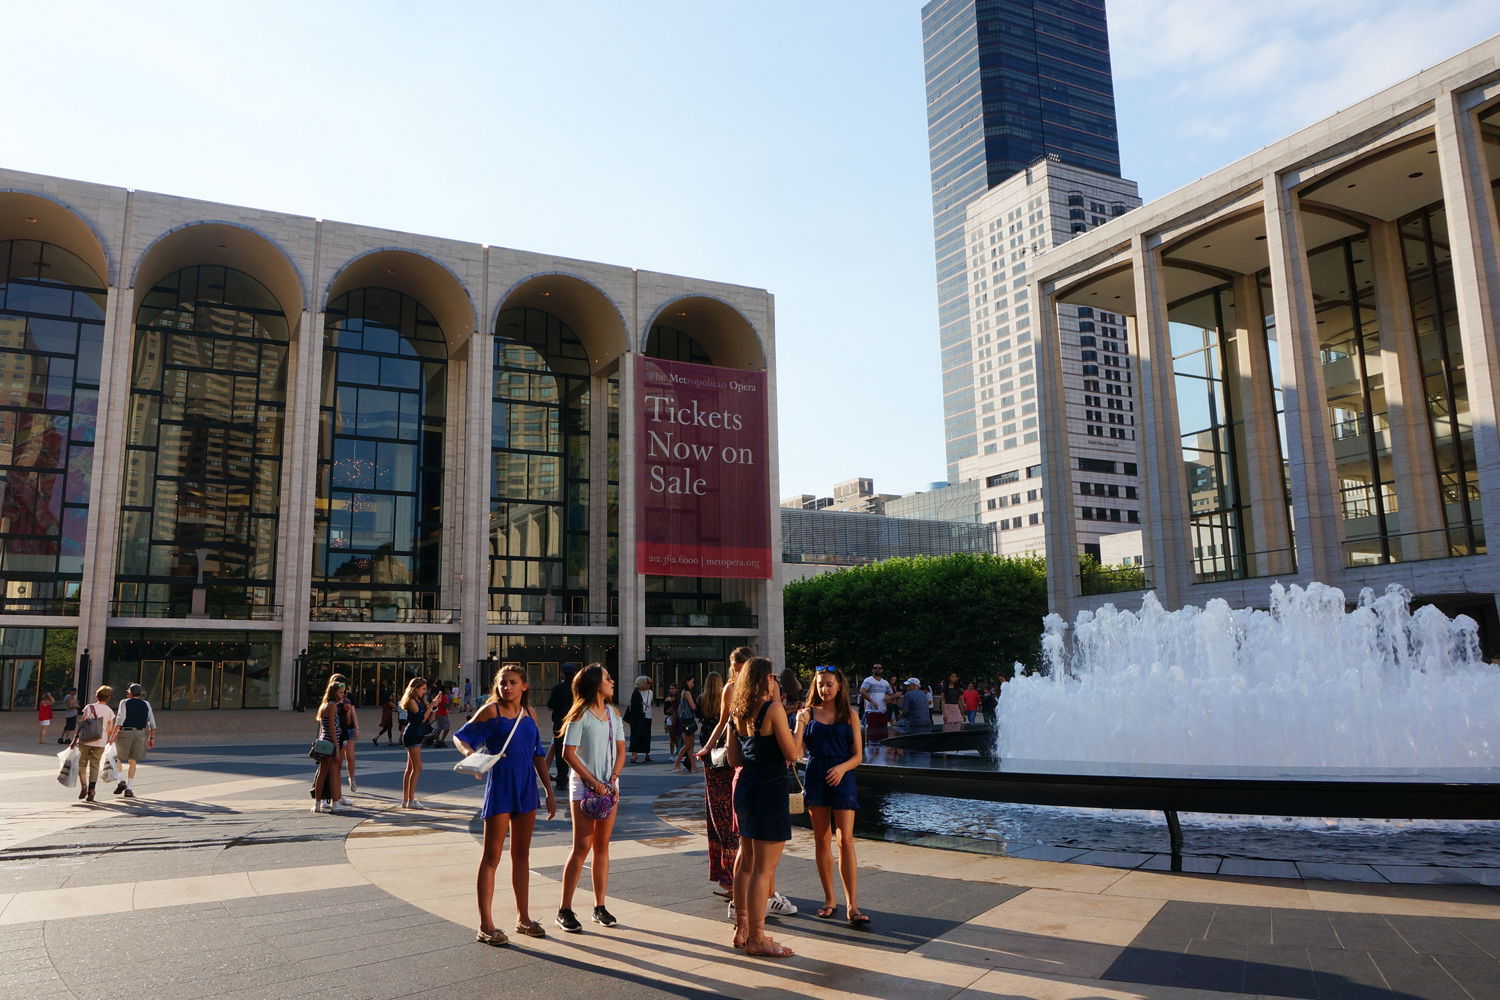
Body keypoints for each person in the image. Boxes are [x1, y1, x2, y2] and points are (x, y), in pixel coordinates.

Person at [453, 663, 557, 946]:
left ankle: (523, 919)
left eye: (512, 682)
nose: (505, 687)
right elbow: (461, 736)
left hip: (525, 788)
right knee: (492, 856)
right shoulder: (491, 711)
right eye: (501, 683)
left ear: (524, 686)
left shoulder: (530, 715)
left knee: (522, 856)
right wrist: (472, 756)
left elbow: (538, 755)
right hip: (500, 785)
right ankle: (485, 925)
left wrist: (548, 790)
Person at [727, 656, 799, 957]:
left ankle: (742, 926)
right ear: (765, 680)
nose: (776, 682)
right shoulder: (773, 709)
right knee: (763, 870)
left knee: (746, 861)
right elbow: (793, 753)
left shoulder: (738, 711)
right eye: (772, 677)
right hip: (769, 791)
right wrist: (802, 728)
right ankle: (758, 936)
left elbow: (734, 760)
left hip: (745, 789)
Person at [796, 666, 869, 925]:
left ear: (839, 686)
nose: (824, 689)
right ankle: (829, 899)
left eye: (828, 684)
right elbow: (795, 753)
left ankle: (852, 905)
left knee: (846, 840)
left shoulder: (850, 715)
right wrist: (799, 724)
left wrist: (841, 768)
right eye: (819, 684)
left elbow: (859, 756)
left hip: (843, 777)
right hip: (816, 777)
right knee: (821, 839)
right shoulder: (807, 714)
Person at [556, 664, 625, 932]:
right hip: (585, 787)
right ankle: (565, 909)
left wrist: (613, 780)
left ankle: (600, 906)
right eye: (608, 677)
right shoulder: (579, 716)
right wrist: (593, 782)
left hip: (610, 786)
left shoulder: (613, 714)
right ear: (596, 683)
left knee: (603, 846)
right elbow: (568, 753)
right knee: (581, 846)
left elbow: (621, 750)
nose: (612, 680)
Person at [697, 647, 752, 899]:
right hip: (726, 759)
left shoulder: (763, 688)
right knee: (723, 817)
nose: (738, 672)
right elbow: (721, 722)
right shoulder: (730, 689)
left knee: (742, 818)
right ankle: (729, 877)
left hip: (751, 757)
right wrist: (707, 746)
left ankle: (746, 877)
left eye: (742, 668)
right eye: (735, 668)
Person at [109, 683, 156, 798]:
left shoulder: (124, 702)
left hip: (125, 732)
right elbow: (152, 723)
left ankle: (121, 781)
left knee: (117, 756)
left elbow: (120, 719)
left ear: (130, 693)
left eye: (128, 691)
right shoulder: (146, 704)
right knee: (133, 760)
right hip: (140, 733)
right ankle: (129, 788)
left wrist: (113, 735)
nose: (127, 693)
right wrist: (152, 738)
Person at [399, 677, 437, 808]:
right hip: (412, 734)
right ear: (415, 688)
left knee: (410, 768)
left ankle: (406, 800)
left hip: (417, 734)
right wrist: (430, 706)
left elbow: (428, 720)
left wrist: (433, 707)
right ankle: (410, 800)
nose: (425, 691)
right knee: (417, 767)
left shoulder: (420, 701)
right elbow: (420, 719)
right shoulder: (411, 701)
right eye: (423, 689)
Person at [72, 686, 115, 803]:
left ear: (97, 696)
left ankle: (84, 786)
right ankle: (92, 789)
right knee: (95, 765)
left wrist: (76, 738)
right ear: (109, 698)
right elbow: (110, 729)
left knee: (82, 763)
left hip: (85, 740)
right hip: (100, 741)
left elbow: (83, 723)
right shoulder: (110, 712)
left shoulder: (89, 707)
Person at [311, 678, 348, 813]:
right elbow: (332, 727)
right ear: (334, 693)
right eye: (340, 692)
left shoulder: (325, 705)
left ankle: (317, 803)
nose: (343, 694)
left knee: (322, 773)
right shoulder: (332, 705)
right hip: (331, 742)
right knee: (333, 773)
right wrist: (337, 747)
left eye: (343, 692)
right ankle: (336, 802)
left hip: (324, 741)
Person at [545, 662, 580, 789]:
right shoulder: (579, 689)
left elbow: (550, 705)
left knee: (561, 751)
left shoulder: (558, 688)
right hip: (577, 721)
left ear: (563, 674)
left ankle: (562, 779)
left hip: (560, 722)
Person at [672, 675, 700, 773]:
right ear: (687, 682)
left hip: (684, 719)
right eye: (692, 682)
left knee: (690, 745)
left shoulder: (682, 692)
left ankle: (693, 766)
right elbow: (693, 707)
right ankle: (676, 764)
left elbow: (680, 708)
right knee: (688, 745)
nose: (693, 684)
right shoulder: (687, 692)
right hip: (688, 720)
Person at [858, 664, 892, 743]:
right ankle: (872, 752)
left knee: (883, 734)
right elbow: (862, 691)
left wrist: (894, 696)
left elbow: (891, 694)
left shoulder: (885, 682)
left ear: (882, 670)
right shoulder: (868, 680)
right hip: (872, 711)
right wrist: (872, 701)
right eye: (875, 668)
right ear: (872, 670)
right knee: (873, 734)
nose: (877, 669)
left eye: (879, 668)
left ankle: (882, 752)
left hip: (883, 711)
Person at [625, 675, 654, 764]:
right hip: (637, 718)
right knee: (636, 735)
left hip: (647, 715)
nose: (648, 685)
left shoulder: (650, 692)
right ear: (641, 683)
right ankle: (634, 755)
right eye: (646, 683)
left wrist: (643, 703)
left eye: (649, 683)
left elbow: (647, 703)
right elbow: (634, 706)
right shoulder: (636, 692)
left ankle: (646, 753)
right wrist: (642, 703)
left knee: (646, 735)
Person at [664, 682, 682, 759]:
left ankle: (679, 753)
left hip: (677, 719)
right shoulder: (668, 699)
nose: (671, 690)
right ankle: (672, 754)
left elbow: (679, 709)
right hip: (670, 718)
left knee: (678, 736)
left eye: (673, 688)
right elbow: (665, 711)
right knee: (672, 737)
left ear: (677, 690)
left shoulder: (679, 698)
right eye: (670, 688)